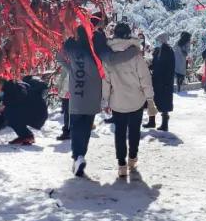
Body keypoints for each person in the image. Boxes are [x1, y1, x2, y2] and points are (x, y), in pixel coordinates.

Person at [101, 23, 154, 178]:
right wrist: (150, 98)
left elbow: (106, 82)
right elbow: (145, 79)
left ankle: (121, 165)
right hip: (136, 101)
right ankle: (132, 158)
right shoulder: (136, 56)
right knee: (134, 131)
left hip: (117, 102)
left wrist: (106, 100)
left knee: (120, 133)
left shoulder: (109, 57)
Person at [59, 26, 105, 177]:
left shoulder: (72, 51)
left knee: (76, 128)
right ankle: (81, 155)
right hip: (93, 98)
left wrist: (69, 66)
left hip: (77, 96)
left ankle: (78, 156)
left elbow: (59, 57)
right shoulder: (94, 54)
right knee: (85, 129)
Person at [0, 76, 48, 144]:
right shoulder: (11, 87)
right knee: (7, 112)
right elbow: (1, 115)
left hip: (37, 115)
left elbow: (22, 96)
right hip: (39, 114)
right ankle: (26, 136)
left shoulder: (12, 88)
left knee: (9, 113)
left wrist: (5, 106)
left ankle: (26, 136)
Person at [147, 32, 175, 131]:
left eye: (158, 40)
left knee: (164, 104)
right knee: (153, 101)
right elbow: (155, 63)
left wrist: (167, 82)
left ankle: (164, 124)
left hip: (164, 82)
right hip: (156, 80)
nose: (156, 42)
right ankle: (152, 121)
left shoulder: (168, 51)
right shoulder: (158, 50)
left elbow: (169, 68)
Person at [55, 57, 72, 141]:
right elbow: (62, 78)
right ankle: (69, 131)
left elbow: (68, 79)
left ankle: (68, 132)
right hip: (65, 92)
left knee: (68, 113)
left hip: (69, 93)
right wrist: (59, 89)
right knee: (67, 112)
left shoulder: (73, 63)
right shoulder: (66, 64)